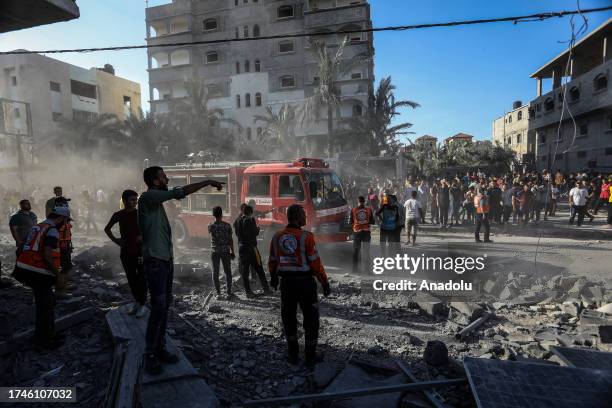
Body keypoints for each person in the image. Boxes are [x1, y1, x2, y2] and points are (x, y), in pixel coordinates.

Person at [139, 165, 224, 375]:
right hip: (155, 262)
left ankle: (159, 348)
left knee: (164, 305)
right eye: (163, 176)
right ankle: (149, 354)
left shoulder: (155, 203)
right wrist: (207, 182)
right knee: (158, 306)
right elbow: (179, 193)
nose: (167, 178)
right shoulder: (148, 198)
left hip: (164, 260)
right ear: (156, 181)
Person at [268, 204, 330, 367]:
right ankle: (310, 356)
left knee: (288, 318)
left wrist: (274, 277)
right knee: (311, 319)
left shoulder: (277, 237)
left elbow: (273, 261)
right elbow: (315, 263)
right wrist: (324, 281)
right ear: (296, 217)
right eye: (303, 215)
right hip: (305, 284)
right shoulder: (306, 237)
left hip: (286, 284)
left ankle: (293, 354)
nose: (306, 217)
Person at [12, 207, 72, 349]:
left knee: (48, 302)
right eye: (66, 221)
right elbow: (47, 255)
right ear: (60, 219)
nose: (66, 224)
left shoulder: (37, 227)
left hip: (26, 269)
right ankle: (43, 341)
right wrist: (58, 276)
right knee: (45, 306)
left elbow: (20, 248)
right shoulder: (52, 230)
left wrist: (21, 265)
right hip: (37, 272)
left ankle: (49, 333)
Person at [104, 190, 147, 317]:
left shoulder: (140, 214)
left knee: (142, 279)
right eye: (132, 200)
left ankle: (143, 304)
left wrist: (142, 237)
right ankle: (137, 302)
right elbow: (107, 229)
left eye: (136, 199)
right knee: (131, 279)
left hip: (141, 252)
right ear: (124, 201)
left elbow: (149, 229)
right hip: (126, 252)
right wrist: (116, 240)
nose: (135, 202)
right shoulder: (118, 215)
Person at [234, 204, 271, 297]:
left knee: (245, 271)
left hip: (242, 248)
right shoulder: (250, 220)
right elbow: (253, 233)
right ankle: (266, 289)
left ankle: (248, 292)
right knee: (259, 268)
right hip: (251, 248)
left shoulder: (238, 220)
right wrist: (258, 229)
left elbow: (237, 233)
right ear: (250, 212)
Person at [208, 206, 235, 299]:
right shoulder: (227, 226)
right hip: (225, 251)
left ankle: (218, 293)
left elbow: (211, 235)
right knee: (228, 271)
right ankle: (229, 293)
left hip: (215, 251)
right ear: (222, 214)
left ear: (213, 215)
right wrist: (233, 251)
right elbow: (230, 240)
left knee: (215, 272)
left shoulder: (210, 225)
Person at [350, 196, 374, 274]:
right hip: (366, 232)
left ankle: (355, 270)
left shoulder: (353, 210)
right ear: (364, 201)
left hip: (357, 232)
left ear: (358, 201)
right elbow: (373, 221)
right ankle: (367, 270)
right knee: (366, 251)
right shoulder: (368, 210)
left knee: (356, 251)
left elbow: (351, 222)